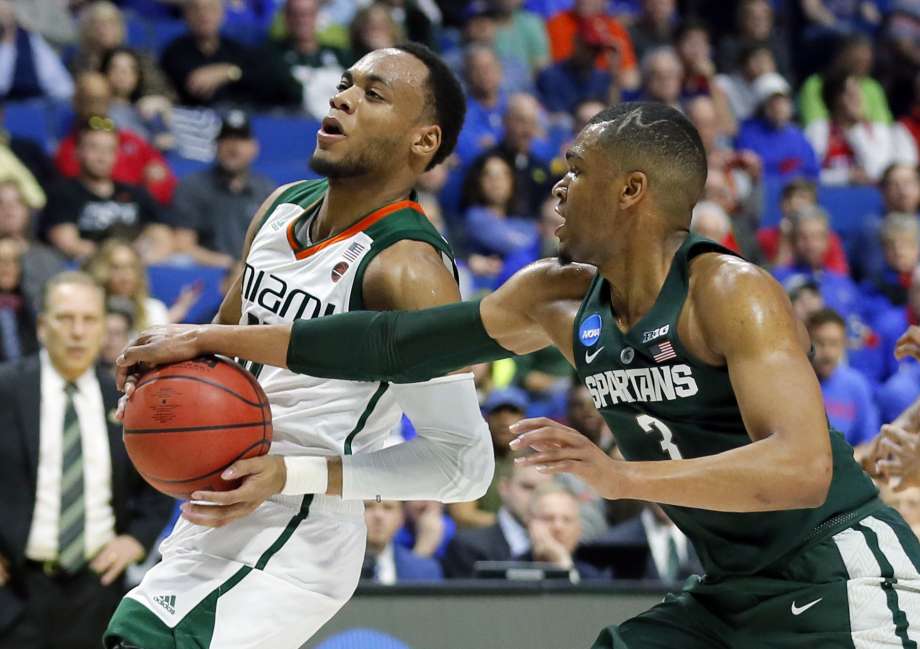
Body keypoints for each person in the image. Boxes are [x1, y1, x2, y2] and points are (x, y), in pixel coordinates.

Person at [123, 101, 920, 647]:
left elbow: (804, 468)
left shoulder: (729, 293)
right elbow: (392, 342)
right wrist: (211, 333)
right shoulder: (553, 298)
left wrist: (618, 477)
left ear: (633, 191)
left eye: (577, 168)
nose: (557, 183)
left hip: (835, 566)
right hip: (729, 587)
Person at [104, 44, 494, 649]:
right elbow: (222, 356)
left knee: (142, 638)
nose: (342, 97)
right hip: (217, 500)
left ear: (423, 141)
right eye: (345, 82)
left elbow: (461, 467)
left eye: (373, 93)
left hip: (298, 529)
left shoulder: (409, 269)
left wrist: (289, 472)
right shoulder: (281, 206)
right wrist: (162, 393)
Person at [0, 271, 172, 649]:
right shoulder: (7, 389)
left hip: (99, 589)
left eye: (89, 319)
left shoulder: (127, 400)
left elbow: (159, 483)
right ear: (43, 326)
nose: (78, 331)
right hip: (15, 592)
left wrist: (137, 538)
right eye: (66, 318)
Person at [43, 117, 171, 264]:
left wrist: (144, 258)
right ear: (78, 152)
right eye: (94, 148)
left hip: (133, 267)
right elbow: (67, 243)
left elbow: (163, 236)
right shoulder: (63, 193)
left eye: (109, 150)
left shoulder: (135, 193)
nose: (102, 157)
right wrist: (120, 256)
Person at [171, 110, 275, 269]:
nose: (233, 146)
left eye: (241, 139)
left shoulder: (266, 191)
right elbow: (183, 245)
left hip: (253, 275)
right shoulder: (193, 186)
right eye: (226, 139)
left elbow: (276, 246)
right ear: (216, 145)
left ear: (254, 148)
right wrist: (229, 265)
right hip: (207, 274)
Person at [442, 462, 551, 579]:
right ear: (504, 487)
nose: (536, 496)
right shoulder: (467, 546)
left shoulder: (569, 543)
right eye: (527, 487)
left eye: (545, 490)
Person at [807, 308, 879, 447]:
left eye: (834, 344)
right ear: (808, 344)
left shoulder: (856, 385)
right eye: (820, 343)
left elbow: (869, 442)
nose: (827, 353)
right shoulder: (793, 383)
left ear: (843, 345)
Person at [514, 481, 607, 581]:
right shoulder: (508, 570)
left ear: (579, 529)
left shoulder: (595, 579)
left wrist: (564, 563)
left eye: (567, 519)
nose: (558, 527)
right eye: (548, 518)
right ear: (529, 522)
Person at [361, 500, 443, 584]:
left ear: (401, 517)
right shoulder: (346, 565)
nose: (378, 515)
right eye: (368, 506)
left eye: (388, 508)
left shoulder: (426, 570)